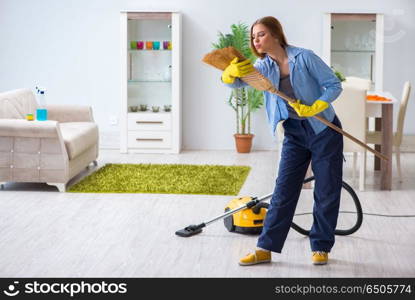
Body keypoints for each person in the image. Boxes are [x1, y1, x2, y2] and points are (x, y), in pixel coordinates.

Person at [222, 16, 343, 266]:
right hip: (294, 133)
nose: (256, 40)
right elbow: (240, 82)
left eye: (261, 34)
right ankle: (265, 248)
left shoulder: (304, 57)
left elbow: (333, 85)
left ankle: (320, 246)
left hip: (323, 129)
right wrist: (229, 75)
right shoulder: (263, 66)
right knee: (283, 190)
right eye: (254, 36)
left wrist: (318, 105)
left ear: (276, 35)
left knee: (327, 190)